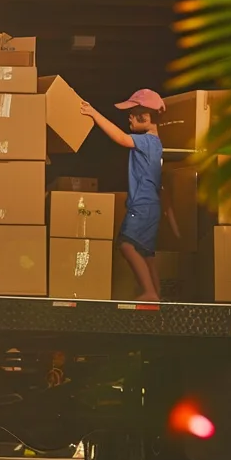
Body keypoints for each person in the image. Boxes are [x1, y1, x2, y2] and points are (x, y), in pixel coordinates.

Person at [81, 90, 166, 302]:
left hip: (142, 205)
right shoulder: (157, 144)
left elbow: (120, 138)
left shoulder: (146, 141)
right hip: (151, 205)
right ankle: (155, 292)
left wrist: (94, 113)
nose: (128, 117)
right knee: (146, 253)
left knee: (126, 245)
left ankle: (150, 293)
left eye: (133, 112)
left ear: (146, 116)